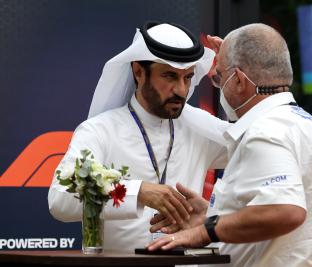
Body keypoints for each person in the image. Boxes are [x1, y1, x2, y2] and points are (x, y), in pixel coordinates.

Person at [147, 23, 312, 267]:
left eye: (220, 78)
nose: (219, 86)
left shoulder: (265, 132)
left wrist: (204, 232)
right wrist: (214, 217)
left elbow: (285, 211)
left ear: (239, 80)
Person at [48, 21, 228, 252]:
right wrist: (138, 192)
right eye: (170, 76)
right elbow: (60, 201)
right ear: (138, 72)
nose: (182, 90)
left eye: (188, 77)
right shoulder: (100, 130)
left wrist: (237, 72)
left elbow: (262, 144)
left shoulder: (200, 126)